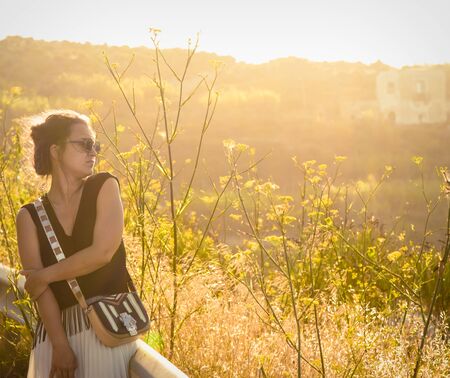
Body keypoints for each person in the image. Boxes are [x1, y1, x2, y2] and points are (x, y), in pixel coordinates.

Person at [16, 109, 139, 378]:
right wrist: (60, 346)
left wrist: (45, 275)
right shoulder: (29, 216)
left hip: (109, 330)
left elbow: (102, 252)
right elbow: (40, 292)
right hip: (56, 338)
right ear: (56, 151)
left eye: (95, 145)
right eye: (84, 144)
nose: (93, 151)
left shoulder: (104, 186)